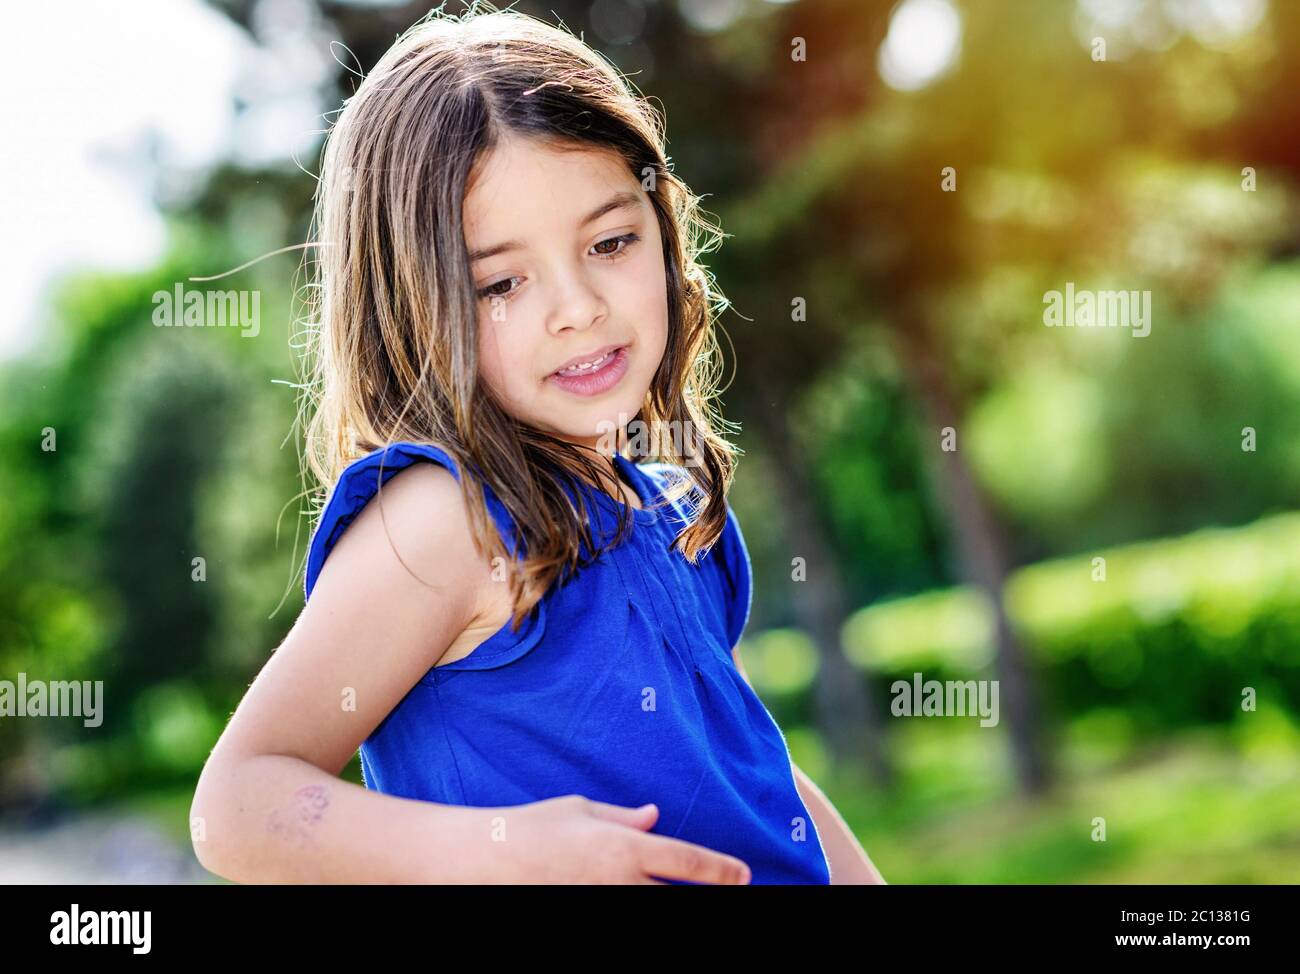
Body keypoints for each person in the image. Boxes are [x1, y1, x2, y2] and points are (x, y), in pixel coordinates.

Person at [191, 3, 885, 885]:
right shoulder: (447, 521)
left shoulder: (663, 500)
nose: (579, 306)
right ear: (409, 306)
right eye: (502, 283)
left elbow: (745, 771)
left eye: (611, 241)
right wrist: (506, 850)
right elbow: (237, 806)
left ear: (664, 231)